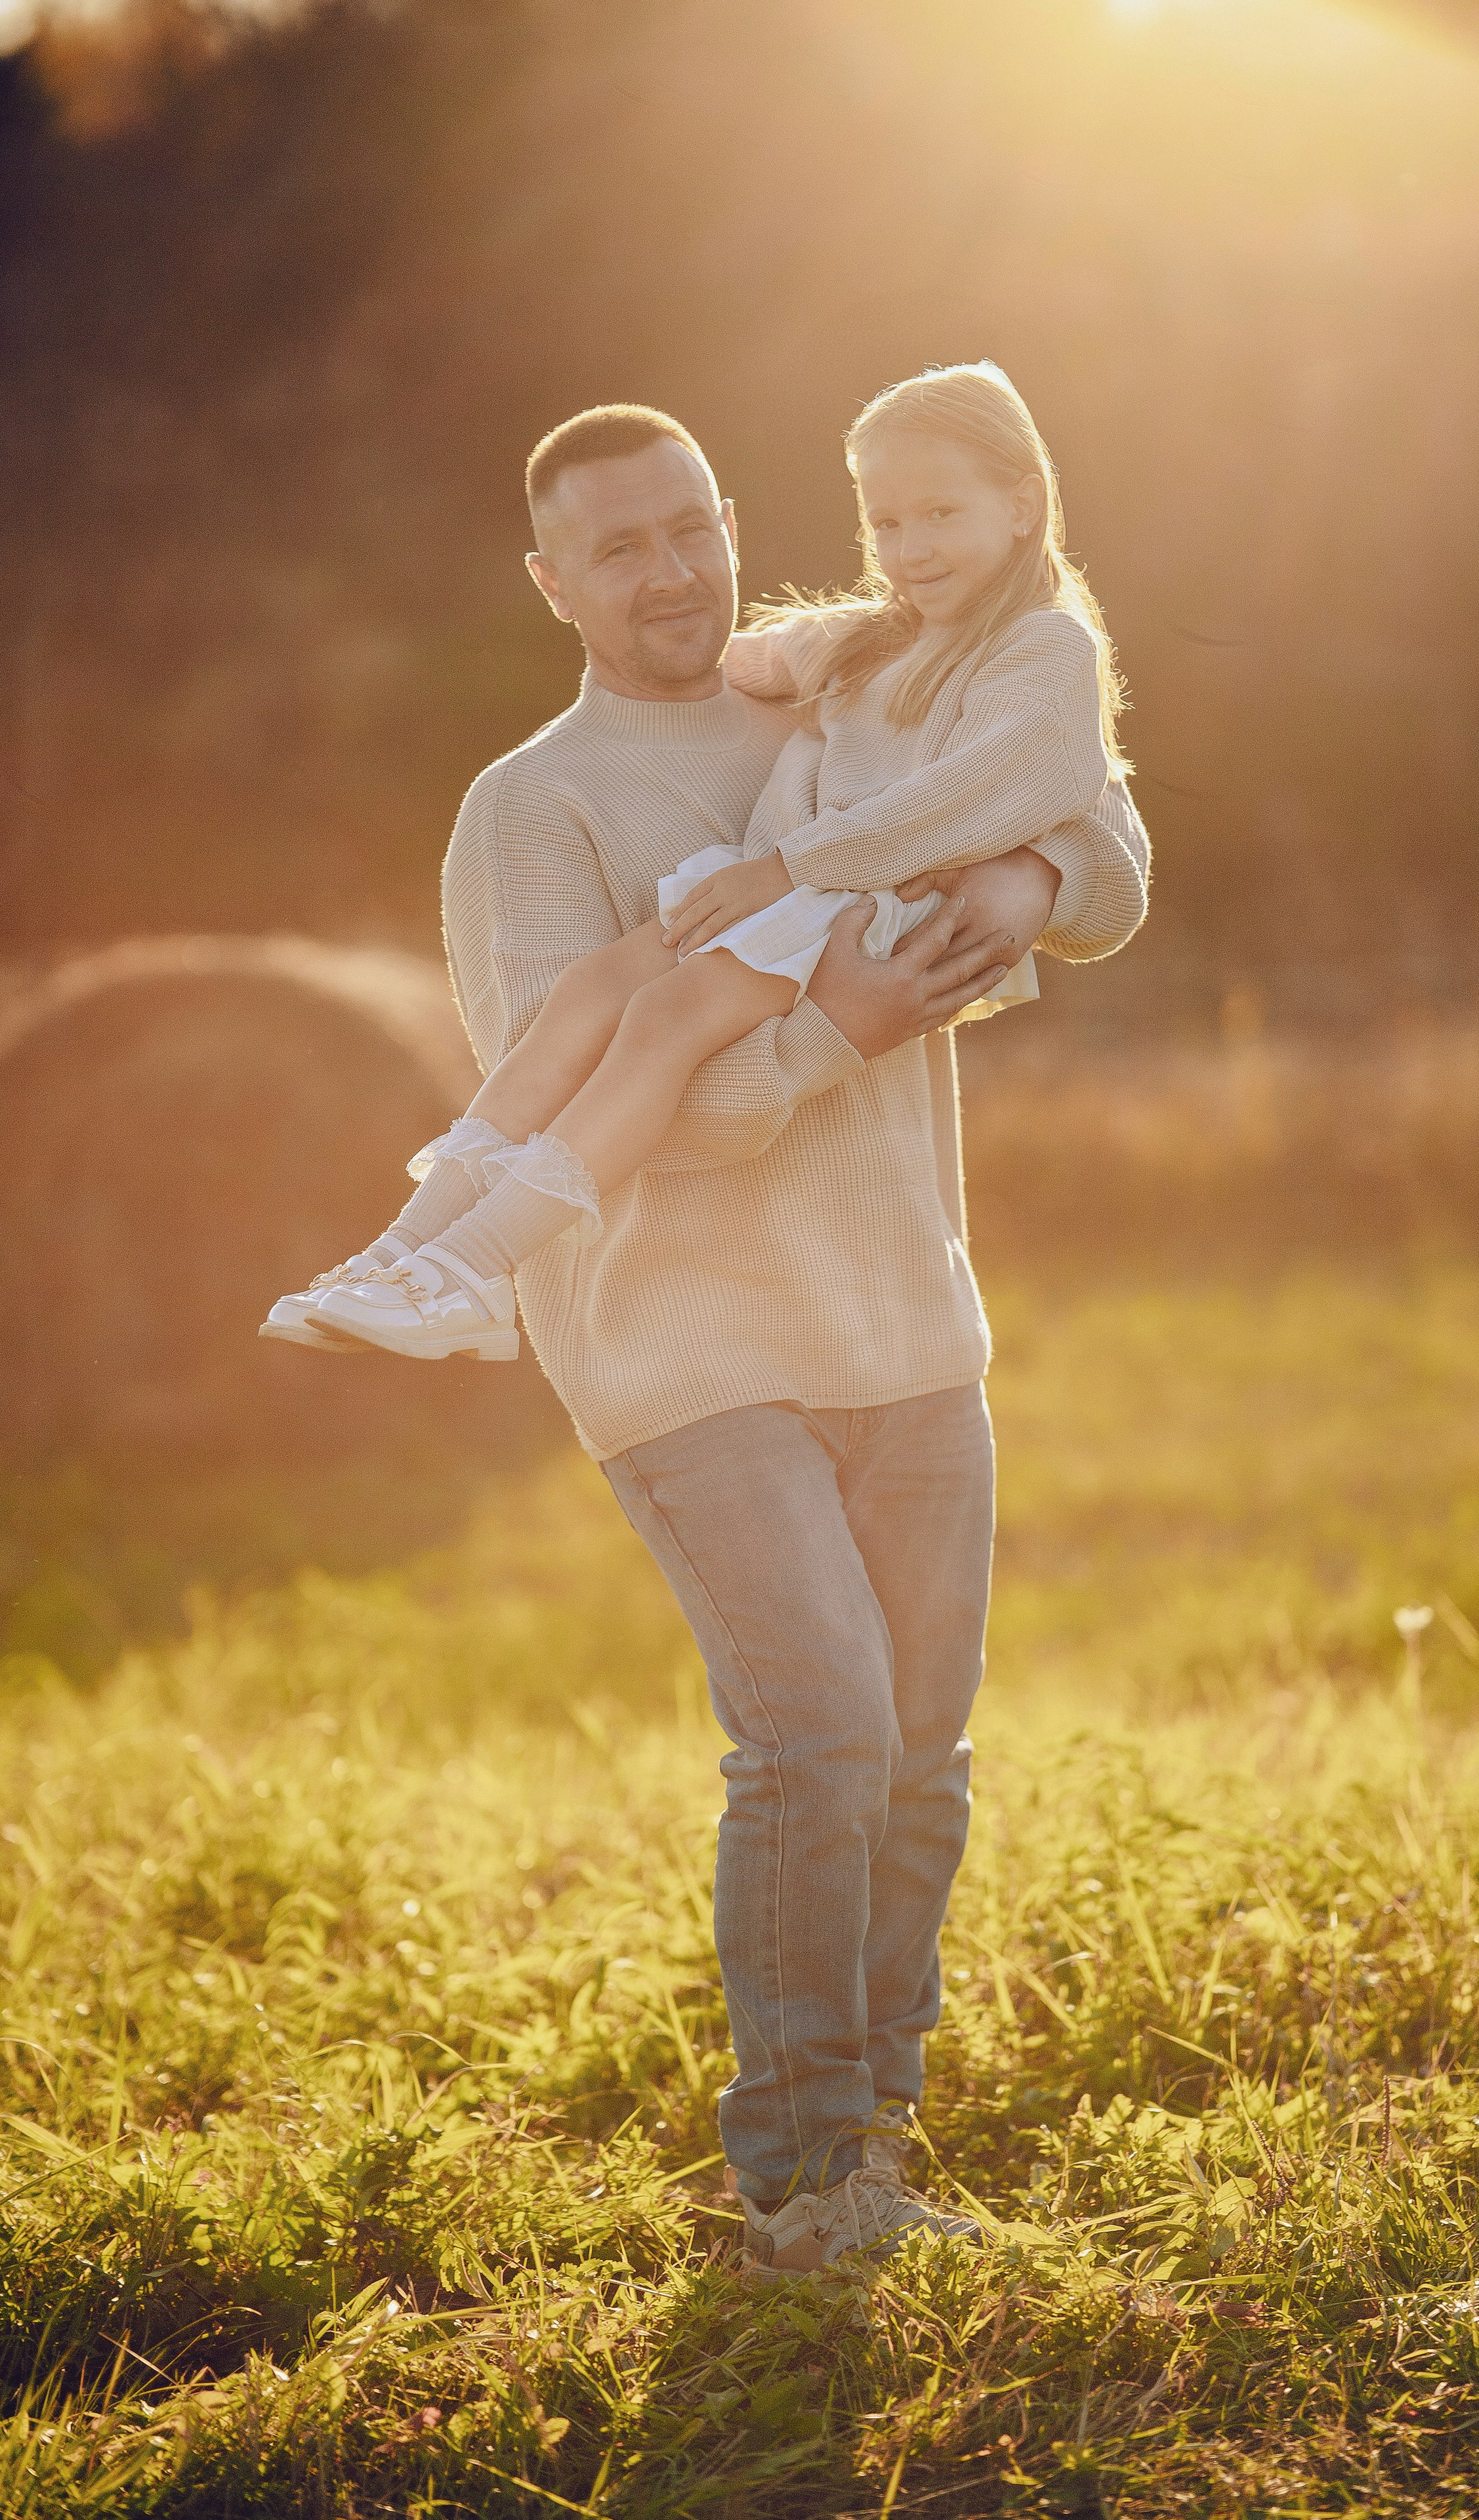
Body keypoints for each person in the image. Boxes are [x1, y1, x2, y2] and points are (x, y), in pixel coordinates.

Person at [266, 384, 1148, 2273]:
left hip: (905, 1308)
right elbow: (613, 1111)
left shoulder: (853, 692)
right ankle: (799, 2167)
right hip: (680, 1344)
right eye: (618, 546)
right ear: (550, 581)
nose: (670, 570)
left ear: (733, 519)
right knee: (820, 1728)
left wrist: (1029, 877)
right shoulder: (532, 810)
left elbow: (1115, 844)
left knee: (921, 1751)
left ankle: (877, 2152)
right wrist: (852, 1027)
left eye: (690, 525)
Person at [266, 365, 1131, 1368]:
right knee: (595, 990)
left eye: (940, 513)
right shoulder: (882, 640)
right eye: (886, 524)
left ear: (1025, 505)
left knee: (662, 1020)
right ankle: (406, 1248)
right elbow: (749, 659)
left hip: (864, 905)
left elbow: (999, 795)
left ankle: (478, 1268)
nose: (910, 550)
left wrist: (800, 868)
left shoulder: (1043, 650)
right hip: (809, 892)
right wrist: (705, 634)